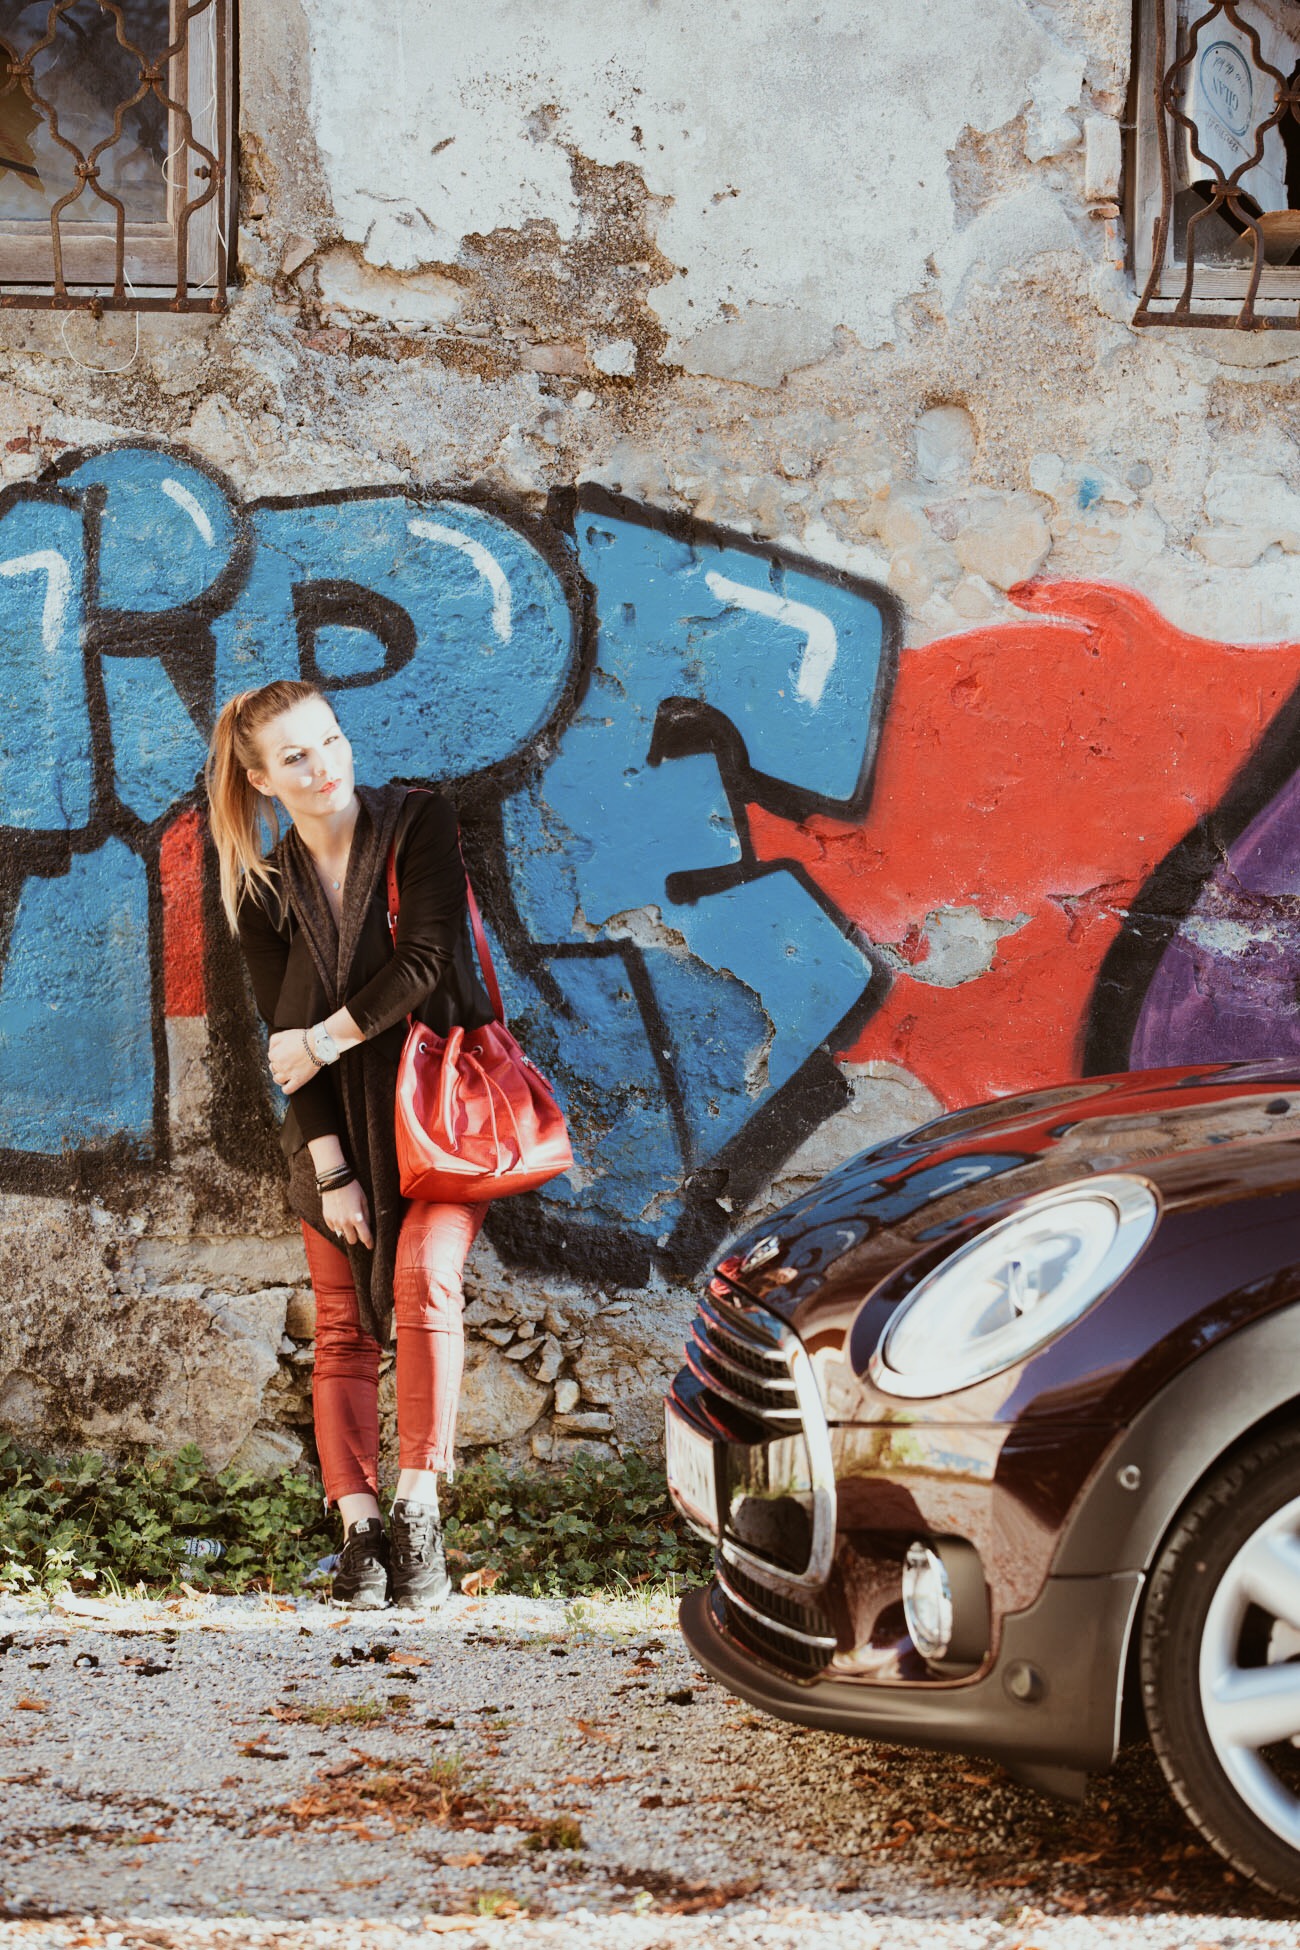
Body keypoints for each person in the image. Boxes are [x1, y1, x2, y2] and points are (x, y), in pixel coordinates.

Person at [205, 679, 496, 1610]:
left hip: (437, 1118)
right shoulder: (263, 891)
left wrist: (327, 1039)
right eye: (295, 757)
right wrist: (332, 1173)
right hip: (329, 1131)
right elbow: (280, 1048)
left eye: (330, 740)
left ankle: (419, 1511)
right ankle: (360, 1530)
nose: (324, 765)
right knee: (339, 1328)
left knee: (425, 1281)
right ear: (261, 780)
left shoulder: (416, 824)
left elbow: (427, 962)